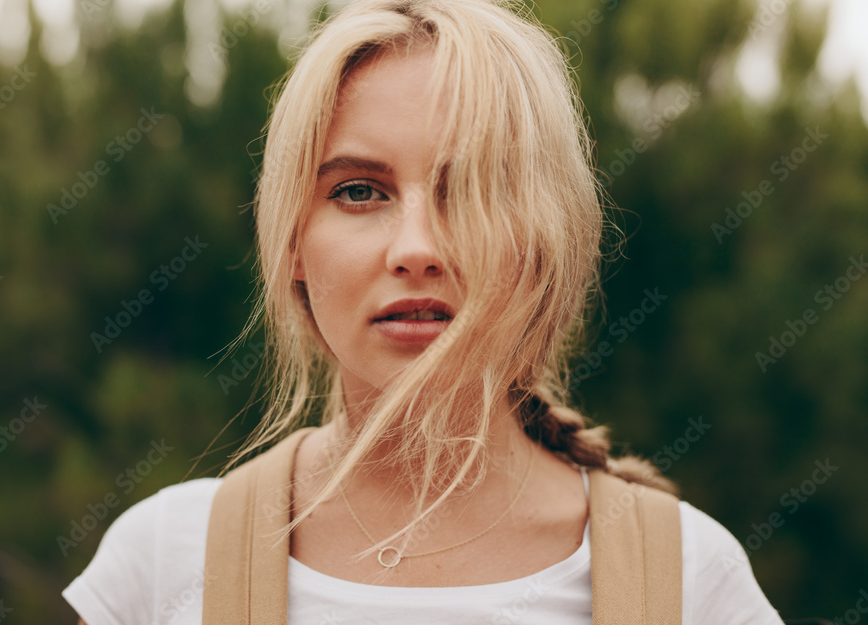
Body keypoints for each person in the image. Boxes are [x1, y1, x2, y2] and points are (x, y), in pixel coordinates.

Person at [62, 0, 786, 622]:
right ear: (291, 245)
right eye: (358, 191)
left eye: (466, 190)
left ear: (548, 240)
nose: (417, 249)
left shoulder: (694, 582)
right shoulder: (162, 565)